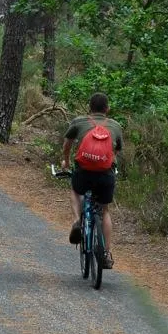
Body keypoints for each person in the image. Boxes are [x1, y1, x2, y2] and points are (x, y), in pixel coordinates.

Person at [60, 92, 123, 269]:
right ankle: (105, 253)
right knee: (104, 211)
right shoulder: (115, 126)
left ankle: (77, 221)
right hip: (105, 174)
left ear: (89, 108)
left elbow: (67, 145)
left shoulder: (79, 122)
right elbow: (117, 150)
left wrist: (65, 160)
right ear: (107, 109)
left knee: (75, 190)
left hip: (84, 171)